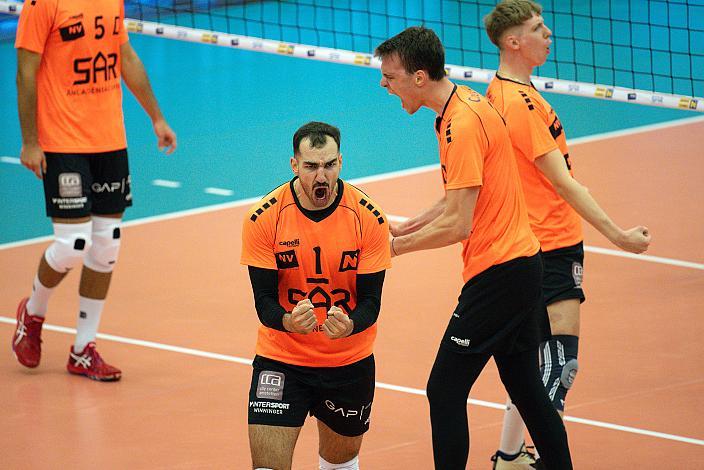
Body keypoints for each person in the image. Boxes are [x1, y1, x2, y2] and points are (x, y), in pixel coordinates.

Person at [374, 26, 573, 469]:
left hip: (499, 276)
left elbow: (459, 224)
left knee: (443, 389)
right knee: (526, 390)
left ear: (419, 77)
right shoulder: (460, 106)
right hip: (522, 267)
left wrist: (391, 250)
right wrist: (404, 230)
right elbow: (456, 199)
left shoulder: (461, 124)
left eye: (390, 77)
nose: (384, 85)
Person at [483, 1, 652, 468]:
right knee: (559, 365)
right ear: (514, 42)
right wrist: (617, 234)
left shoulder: (511, 90)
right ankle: (544, 459)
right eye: (539, 29)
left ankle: (509, 456)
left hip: (539, 241)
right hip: (549, 246)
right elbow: (563, 182)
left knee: (536, 367)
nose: (550, 33)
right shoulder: (516, 105)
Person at [12, 0, 176, 381]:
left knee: (107, 246)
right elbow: (25, 73)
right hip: (62, 141)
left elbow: (126, 57)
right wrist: (30, 142)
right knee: (73, 244)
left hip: (109, 141)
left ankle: (83, 349)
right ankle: (33, 312)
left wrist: (157, 116)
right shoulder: (41, 5)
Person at [240, 122, 391, 470]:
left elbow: (371, 302)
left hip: (347, 363)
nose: (320, 176)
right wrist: (288, 320)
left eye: (329, 165)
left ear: (341, 162)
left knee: (340, 465)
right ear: (294, 165)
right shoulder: (264, 218)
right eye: (310, 166)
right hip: (281, 359)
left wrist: (350, 325)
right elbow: (264, 301)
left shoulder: (369, 218)